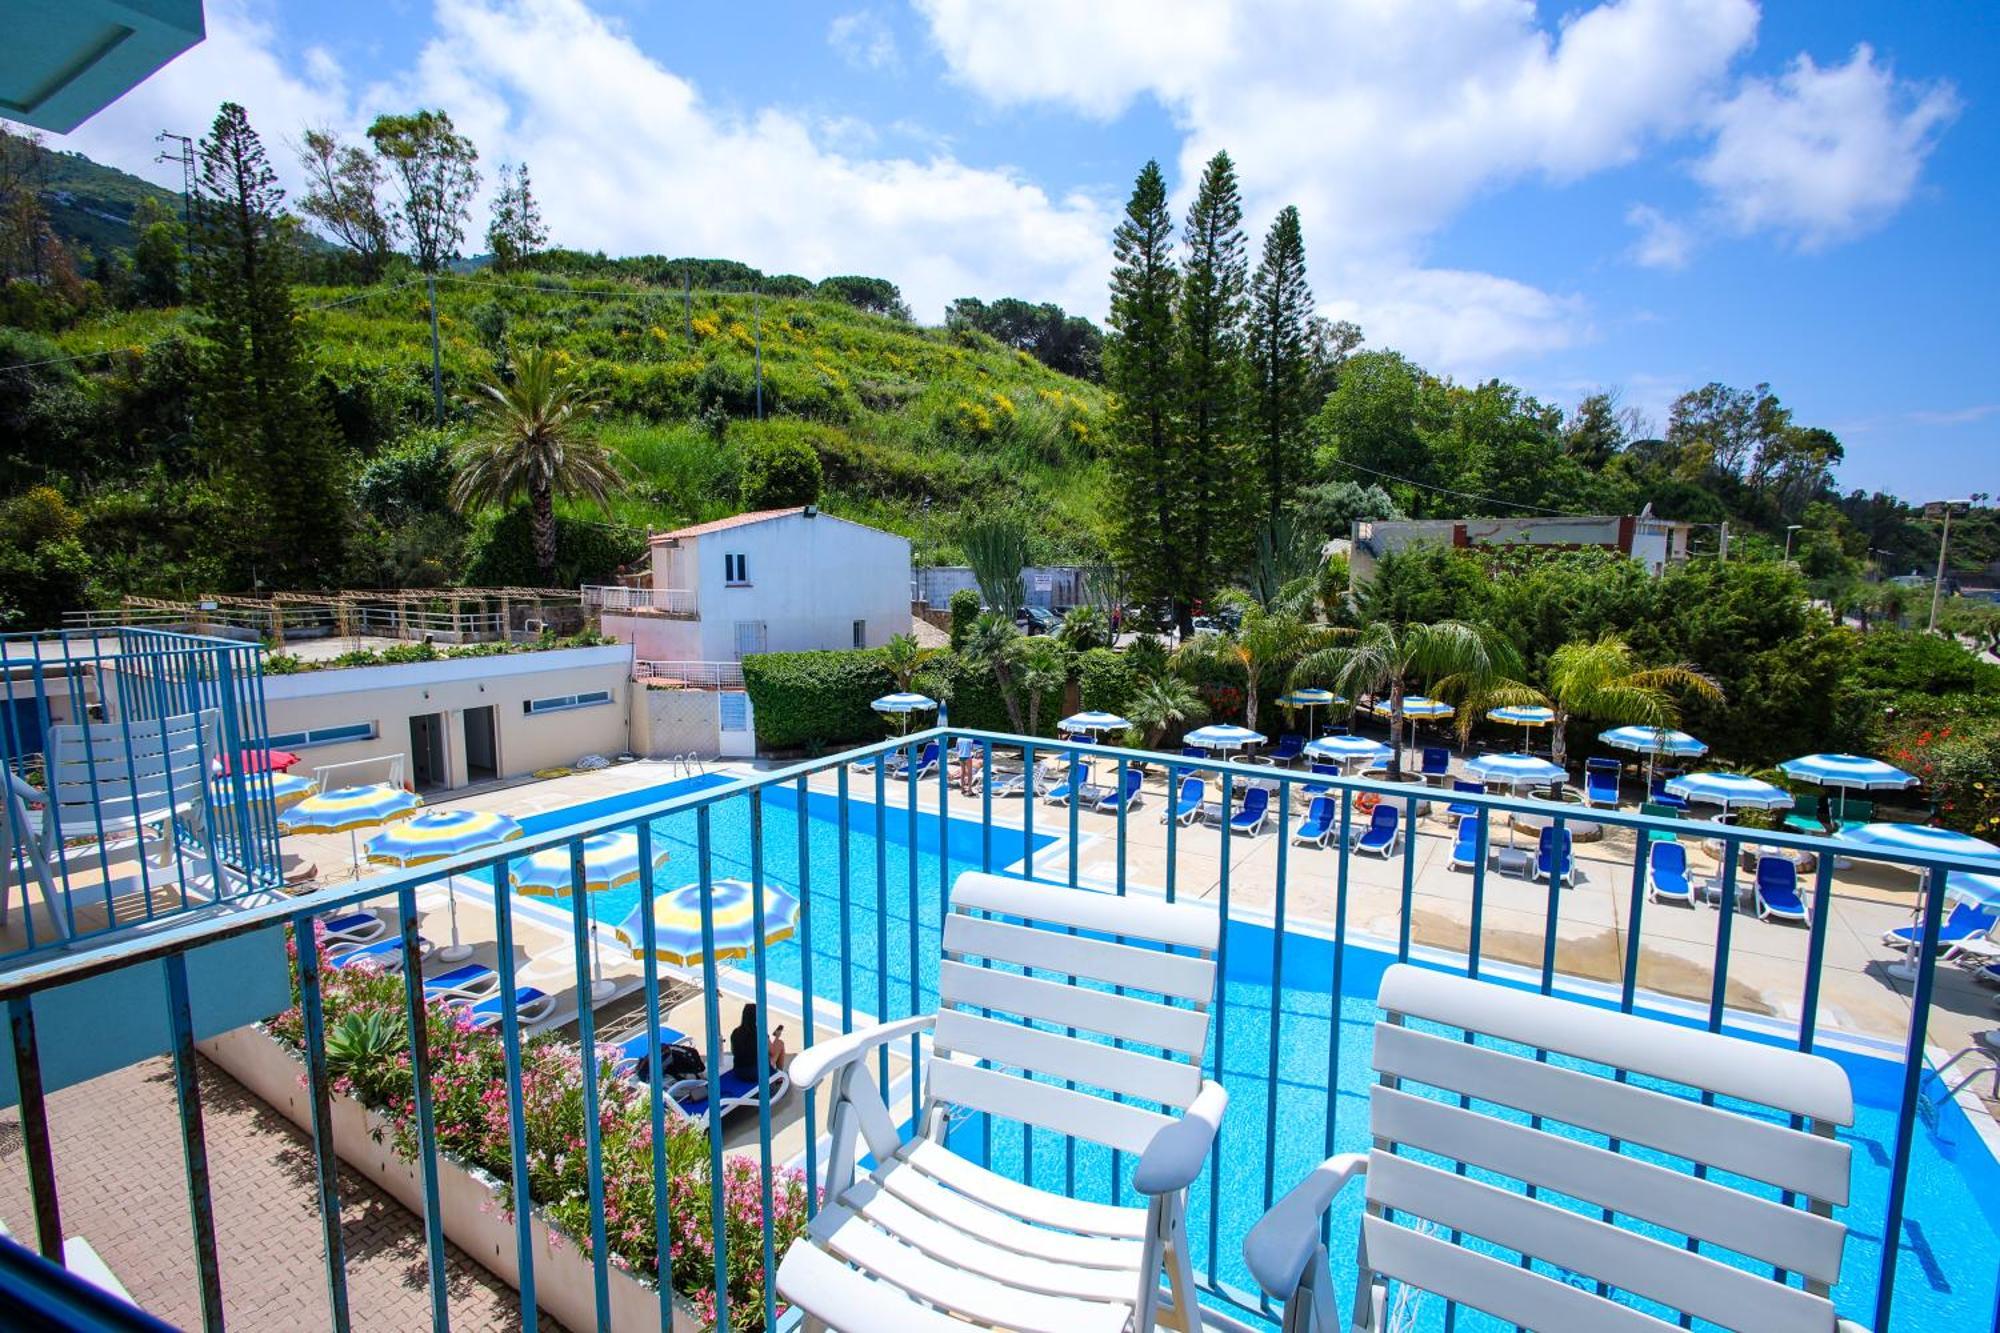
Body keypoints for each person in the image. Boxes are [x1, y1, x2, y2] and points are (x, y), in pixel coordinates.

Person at [729, 1002, 785, 1080]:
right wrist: (777, 1038)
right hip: (757, 1073)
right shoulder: (760, 1033)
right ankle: (779, 1078)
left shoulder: (735, 1032)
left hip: (739, 1071)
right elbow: (772, 1052)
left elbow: (733, 1051)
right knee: (780, 1044)